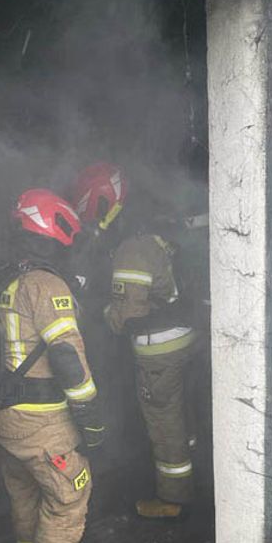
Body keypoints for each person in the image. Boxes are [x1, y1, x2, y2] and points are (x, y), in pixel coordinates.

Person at [0, 188, 107, 543]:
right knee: (68, 492)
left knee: (25, 493)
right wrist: (91, 415)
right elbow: (66, 357)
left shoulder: (1, 277)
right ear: (56, 229)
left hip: (2, 417)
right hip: (41, 420)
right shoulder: (46, 283)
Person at [100, 177, 198, 520]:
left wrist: (100, 312)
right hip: (185, 340)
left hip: (158, 352)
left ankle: (173, 499)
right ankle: (192, 484)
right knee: (184, 415)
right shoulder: (164, 241)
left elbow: (127, 316)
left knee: (164, 422)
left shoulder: (133, 248)